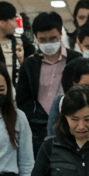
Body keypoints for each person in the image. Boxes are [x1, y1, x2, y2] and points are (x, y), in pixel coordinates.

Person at [16, 11, 68, 154]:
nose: (48, 44)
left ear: (60, 34)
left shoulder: (75, 60)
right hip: (37, 127)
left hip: (67, 124)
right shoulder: (29, 64)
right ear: (36, 38)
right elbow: (22, 98)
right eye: (43, 40)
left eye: (53, 38)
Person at [0, 0, 26, 85]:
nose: (16, 25)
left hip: (15, 91)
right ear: (2, 23)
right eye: (13, 20)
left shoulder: (20, 42)